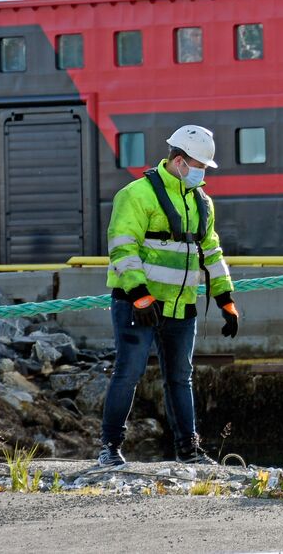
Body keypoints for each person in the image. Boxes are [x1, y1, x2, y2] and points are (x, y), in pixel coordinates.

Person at [99, 125, 239, 468]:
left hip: (181, 305)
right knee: (127, 374)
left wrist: (226, 299)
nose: (202, 173)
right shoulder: (136, 195)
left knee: (180, 378)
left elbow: (212, 251)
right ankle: (110, 449)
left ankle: (189, 451)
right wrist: (139, 295)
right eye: (199, 166)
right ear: (179, 161)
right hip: (138, 304)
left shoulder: (201, 202)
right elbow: (122, 247)